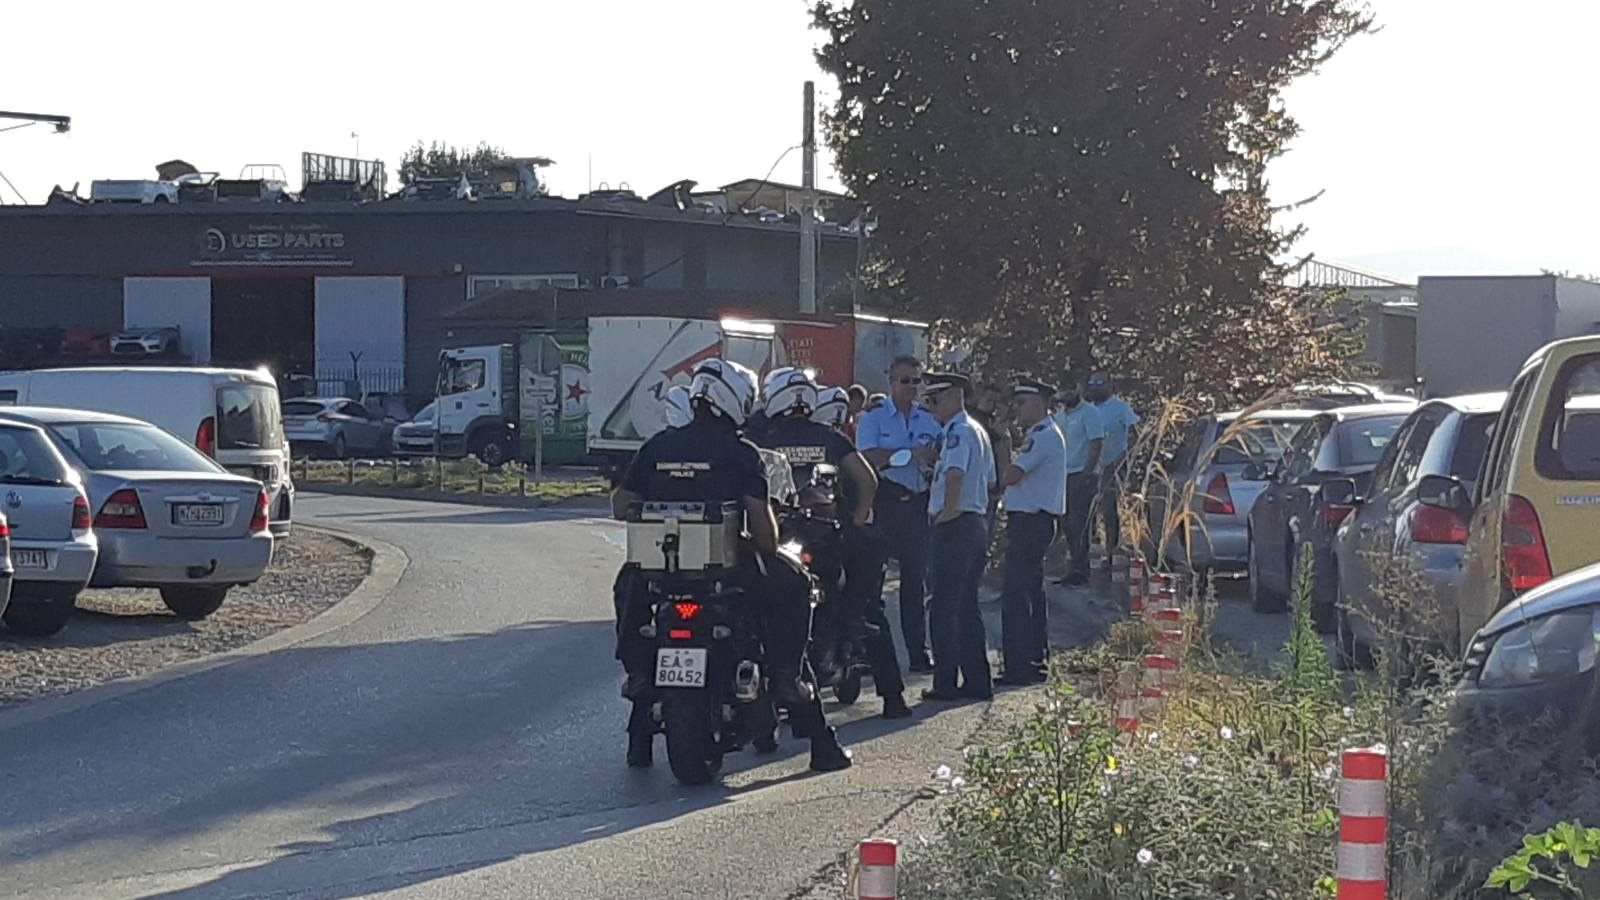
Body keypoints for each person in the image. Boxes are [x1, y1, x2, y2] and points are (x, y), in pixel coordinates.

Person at [610, 359, 851, 772]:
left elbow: (620, 505)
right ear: (735, 400)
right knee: (795, 585)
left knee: (626, 586)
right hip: (727, 569)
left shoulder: (658, 446)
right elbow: (763, 529)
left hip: (663, 569)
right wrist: (764, 544)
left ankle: (638, 688)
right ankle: (788, 683)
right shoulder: (741, 453)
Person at [756, 371, 911, 719]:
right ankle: (893, 697)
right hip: (828, 534)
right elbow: (867, 479)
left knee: (764, 607)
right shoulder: (828, 436)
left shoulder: (761, 437)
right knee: (867, 609)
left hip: (780, 536)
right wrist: (858, 516)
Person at [854, 356, 943, 673]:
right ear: (891, 382)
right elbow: (867, 457)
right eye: (905, 381)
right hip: (886, 502)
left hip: (918, 504)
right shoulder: (874, 417)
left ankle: (918, 651)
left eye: (916, 381)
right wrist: (907, 453)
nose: (911, 387)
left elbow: (941, 452)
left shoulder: (929, 418)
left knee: (915, 582)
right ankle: (868, 652)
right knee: (872, 581)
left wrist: (932, 460)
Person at [920, 372, 996, 701]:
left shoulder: (958, 432)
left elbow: (955, 475)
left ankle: (946, 682)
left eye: (935, 400)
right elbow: (989, 480)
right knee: (966, 607)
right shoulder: (976, 430)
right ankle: (977, 681)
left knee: (943, 608)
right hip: (973, 523)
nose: (931, 407)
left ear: (954, 396)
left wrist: (947, 514)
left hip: (956, 525)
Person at [996, 378, 1067, 685]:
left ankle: (1020, 664)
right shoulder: (1041, 434)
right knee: (1030, 590)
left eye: (1022, 403)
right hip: (1032, 521)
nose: (1018, 409)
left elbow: (1010, 476)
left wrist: (1001, 445)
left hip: (1031, 522)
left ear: (1039, 403)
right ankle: (1035, 658)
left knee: (1017, 593)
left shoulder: (1043, 436)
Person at [1053, 373, 1105, 587]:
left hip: (1081, 474)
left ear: (1079, 388)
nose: (1067, 393)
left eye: (1071, 388)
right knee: (1066, 523)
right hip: (1063, 475)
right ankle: (1073, 566)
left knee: (1080, 524)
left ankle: (1081, 571)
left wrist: (1087, 472)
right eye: (1064, 390)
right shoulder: (1060, 416)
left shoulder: (1090, 413)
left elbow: (1096, 443)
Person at [1087, 372, 1140, 557]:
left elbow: (1135, 435)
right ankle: (1091, 550)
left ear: (1110, 385)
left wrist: (1124, 459)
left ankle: (1112, 552)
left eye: (1099, 383)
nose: (1095, 387)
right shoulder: (1088, 410)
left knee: (1108, 509)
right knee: (1088, 510)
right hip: (1090, 466)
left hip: (1113, 465)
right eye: (1092, 383)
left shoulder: (1120, 407)